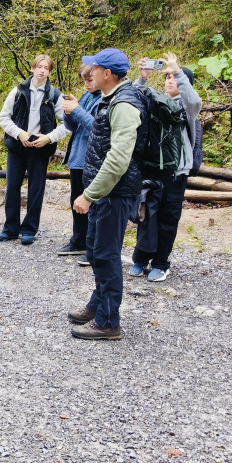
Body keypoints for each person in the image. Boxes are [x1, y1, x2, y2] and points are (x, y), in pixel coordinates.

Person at [68, 48, 147, 341]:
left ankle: (108, 322)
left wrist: (89, 194)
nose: (91, 72)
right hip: (107, 191)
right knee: (96, 250)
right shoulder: (110, 99)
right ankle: (98, 305)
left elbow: (118, 159)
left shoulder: (124, 105)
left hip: (115, 193)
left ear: (107, 74)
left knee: (106, 255)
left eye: (95, 68)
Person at [130, 53, 203, 282]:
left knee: (167, 219)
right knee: (145, 215)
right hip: (152, 169)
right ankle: (140, 258)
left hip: (176, 173)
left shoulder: (187, 108)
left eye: (174, 77)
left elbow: (195, 101)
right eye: (167, 77)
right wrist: (143, 78)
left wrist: (178, 71)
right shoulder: (155, 100)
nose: (170, 80)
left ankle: (161, 263)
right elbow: (132, 100)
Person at [0, 54, 69, 245]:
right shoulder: (18, 91)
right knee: (12, 187)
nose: (42, 70)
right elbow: (3, 117)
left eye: (46, 68)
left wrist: (49, 138)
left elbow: (67, 124)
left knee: (36, 189)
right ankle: (10, 229)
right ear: (33, 68)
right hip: (17, 145)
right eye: (39, 67)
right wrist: (19, 133)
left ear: (50, 72)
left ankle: (29, 230)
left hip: (40, 147)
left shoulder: (55, 95)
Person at [58, 64, 101, 256]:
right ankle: (78, 241)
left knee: (91, 204)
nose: (87, 84)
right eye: (84, 81)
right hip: (77, 157)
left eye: (90, 80)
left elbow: (96, 127)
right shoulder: (87, 96)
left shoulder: (106, 98)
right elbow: (72, 126)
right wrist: (68, 113)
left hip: (92, 160)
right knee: (76, 201)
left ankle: (92, 247)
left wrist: (76, 109)